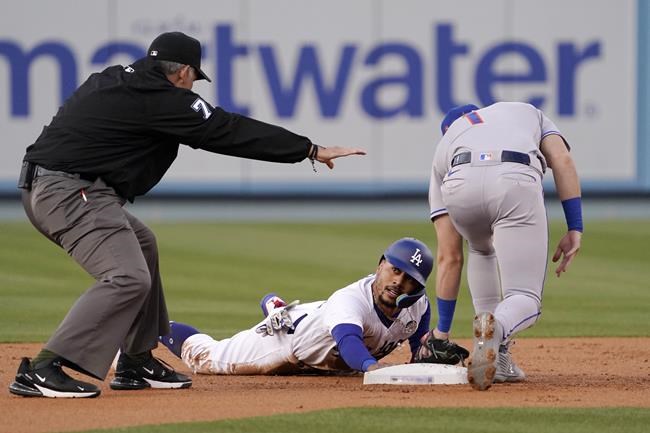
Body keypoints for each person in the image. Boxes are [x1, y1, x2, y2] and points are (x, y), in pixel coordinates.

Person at [9, 31, 365, 399]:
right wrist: (309, 149)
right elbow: (228, 129)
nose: (193, 85)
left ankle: (135, 359)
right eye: (195, 77)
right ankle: (44, 368)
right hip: (69, 190)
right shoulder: (163, 100)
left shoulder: (114, 78)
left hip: (48, 184)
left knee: (143, 244)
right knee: (126, 276)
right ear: (182, 72)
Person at [428, 102, 583, 391]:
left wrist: (442, 333)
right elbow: (562, 160)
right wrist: (575, 226)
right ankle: (496, 329)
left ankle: (498, 359)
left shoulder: (444, 146)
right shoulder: (524, 111)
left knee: (479, 247)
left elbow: (449, 257)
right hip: (514, 176)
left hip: (458, 180)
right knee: (525, 296)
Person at [158, 238, 466, 376]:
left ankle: (277, 305)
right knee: (207, 358)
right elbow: (349, 345)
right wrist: (377, 371)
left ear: (418, 286)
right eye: (394, 270)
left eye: (409, 279)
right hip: (286, 342)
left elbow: (417, 348)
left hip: (320, 335)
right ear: (380, 265)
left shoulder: (418, 307)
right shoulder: (351, 301)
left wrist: (427, 356)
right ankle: (153, 327)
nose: (399, 282)